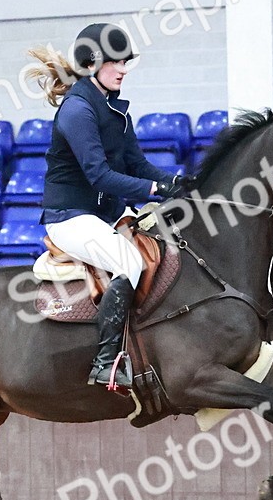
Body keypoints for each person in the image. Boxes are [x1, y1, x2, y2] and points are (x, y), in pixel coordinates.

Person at [27, 23, 193, 390]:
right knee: (129, 262)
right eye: (115, 62)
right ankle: (105, 363)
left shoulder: (115, 109)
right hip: (71, 217)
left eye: (124, 62)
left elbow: (138, 165)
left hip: (106, 213)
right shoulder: (77, 111)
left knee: (166, 241)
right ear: (91, 64)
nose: (122, 69)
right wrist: (154, 188)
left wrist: (178, 183)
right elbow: (99, 176)